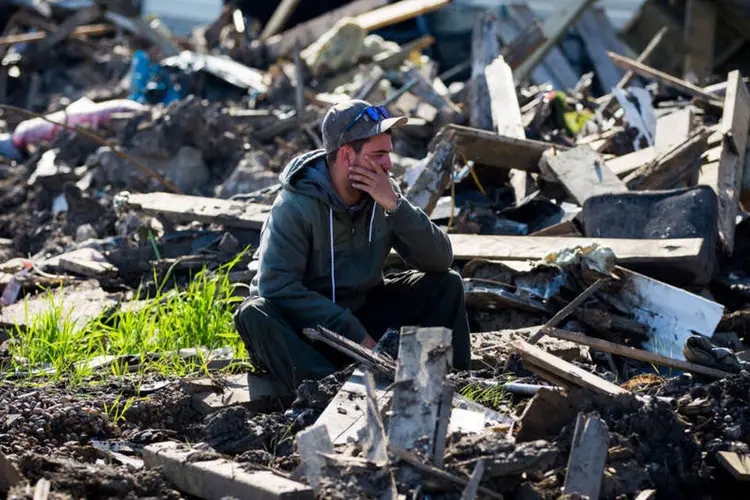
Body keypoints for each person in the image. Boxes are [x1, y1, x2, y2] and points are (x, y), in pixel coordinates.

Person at [234, 99, 470, 390]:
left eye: (388, 153)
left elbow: (440, 259)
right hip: (308, 333)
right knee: (254, 313)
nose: (388, 163)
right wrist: (354, 336)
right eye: (379, 154)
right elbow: (277, 288)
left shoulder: (384, 193)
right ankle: (326, 392)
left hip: (364, 317)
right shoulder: (295, 206)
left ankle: (452, 386)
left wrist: (397, 206)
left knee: (446, 285)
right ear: (347, 156)